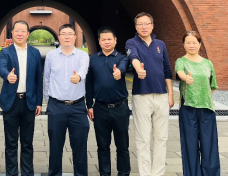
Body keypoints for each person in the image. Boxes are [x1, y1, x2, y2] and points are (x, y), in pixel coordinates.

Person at [126, 12, 174, 176]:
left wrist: (170, 94)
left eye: (147, 23)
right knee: (143, 138)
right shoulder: (131, 42)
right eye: (140, 24)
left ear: (152, 26)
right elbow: (133, 56)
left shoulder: (161, 44)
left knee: (161, 137)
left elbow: (167, 70)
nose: (144, 27)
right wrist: (138, 69)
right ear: (136, 27)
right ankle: (145, 173)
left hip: (161, 95)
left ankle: (158, 172)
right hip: (141, 95)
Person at [0, 20, 43, 176]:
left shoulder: (35, 53)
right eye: (17, 30)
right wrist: (7, 75)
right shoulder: (5, 52)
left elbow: (38, 79)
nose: (20, 34)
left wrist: (39, 102)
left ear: (28, 34)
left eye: (23, 31)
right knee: (11, 143)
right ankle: (11, 173)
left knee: (27, 142)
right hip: (11, 102)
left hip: (29, 102)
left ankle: (27, 173)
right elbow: (2, 67)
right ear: (12, 33)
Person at [44, 24, 90, 177]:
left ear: (75, 37)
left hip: (78, 107)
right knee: (55, 146)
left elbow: (83, 69)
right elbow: (47, 79)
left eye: (70, 33)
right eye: (63, 34)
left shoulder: (82, 55)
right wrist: (49, 101)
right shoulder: (51, 56)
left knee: (80, 146)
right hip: (56, 106)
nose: (67, 36)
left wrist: (79, 77)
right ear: (59, 37)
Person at [86, 27, 131, 177]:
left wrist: (119, 72)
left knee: (122, 146)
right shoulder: (92, 59)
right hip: (100, 108)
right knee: (102, 145)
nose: (107, 42)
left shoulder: (122, 58)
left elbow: (123, 67)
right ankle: (104, 173)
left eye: (109, 39)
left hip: (120, 108)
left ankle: (123, 173)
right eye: (103, 39)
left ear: (115, 40)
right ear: (99, 41)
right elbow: (89, 84)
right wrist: (89, 105)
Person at [176, 31, 220, 177]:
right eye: (188, 42)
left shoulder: (208, 63)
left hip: (206, 108)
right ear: (184, 45)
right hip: (188, 108)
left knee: (209, 145)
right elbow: (179, 72)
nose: (191, 45)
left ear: (200, 44)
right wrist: (185, 78)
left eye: (194, 42)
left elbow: (212, 86)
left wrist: (202, 95)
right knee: (190, 145)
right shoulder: (181, 61)